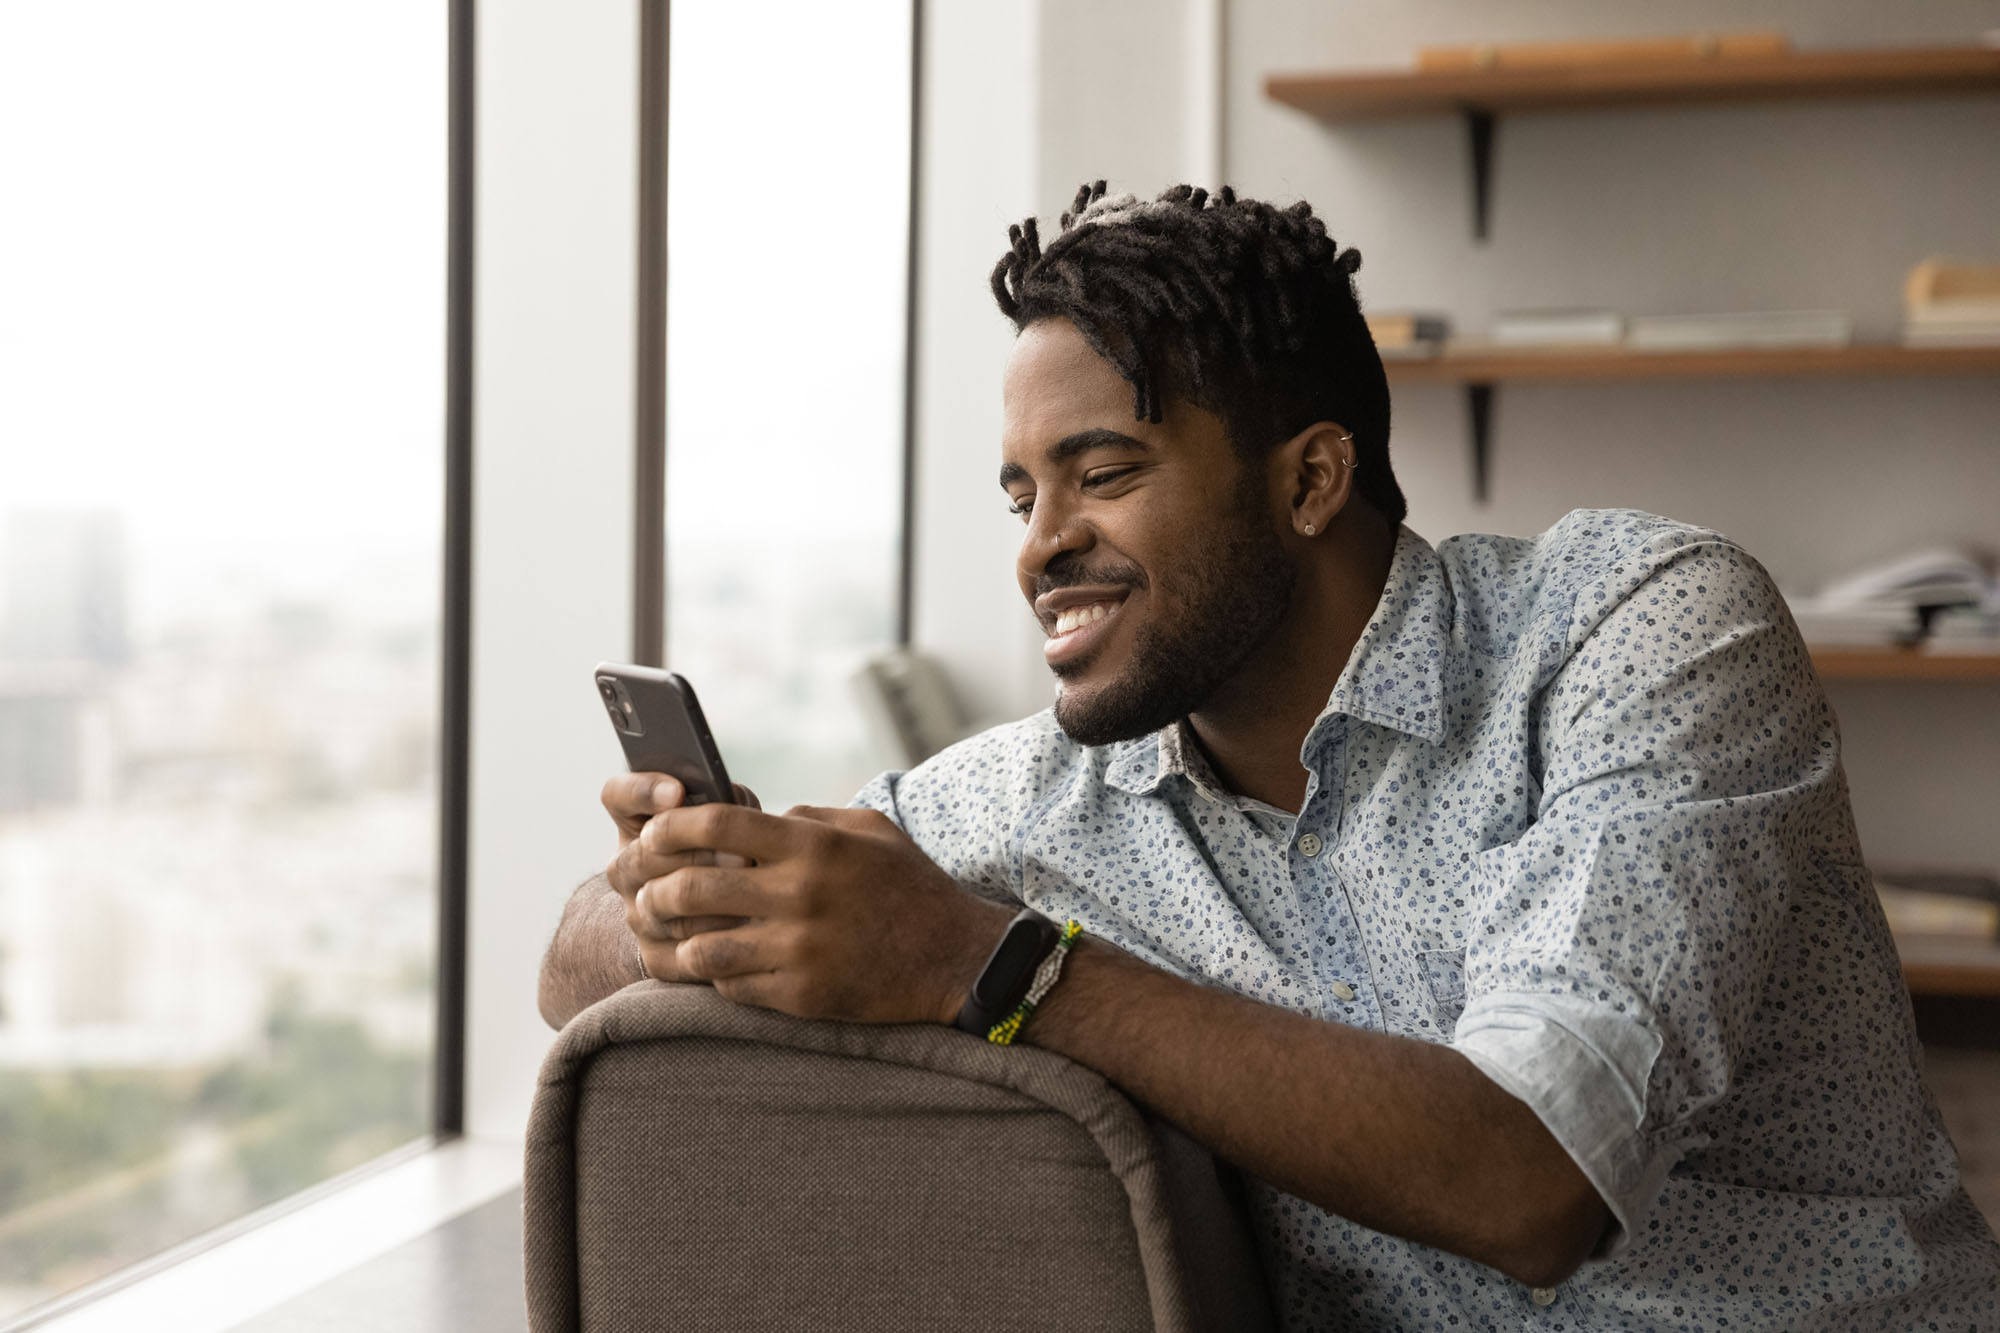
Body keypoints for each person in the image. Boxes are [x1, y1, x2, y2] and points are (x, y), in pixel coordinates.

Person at [538, 182, 2000, 1329]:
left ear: (1309, 479)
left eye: (1103, 471)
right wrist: (695, 888)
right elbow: (571, 963)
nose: (1044, 544)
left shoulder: (1641, 629)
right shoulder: (1049, 788)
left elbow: (1536, 1173)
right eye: (1020, 494)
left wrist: (997, 969)